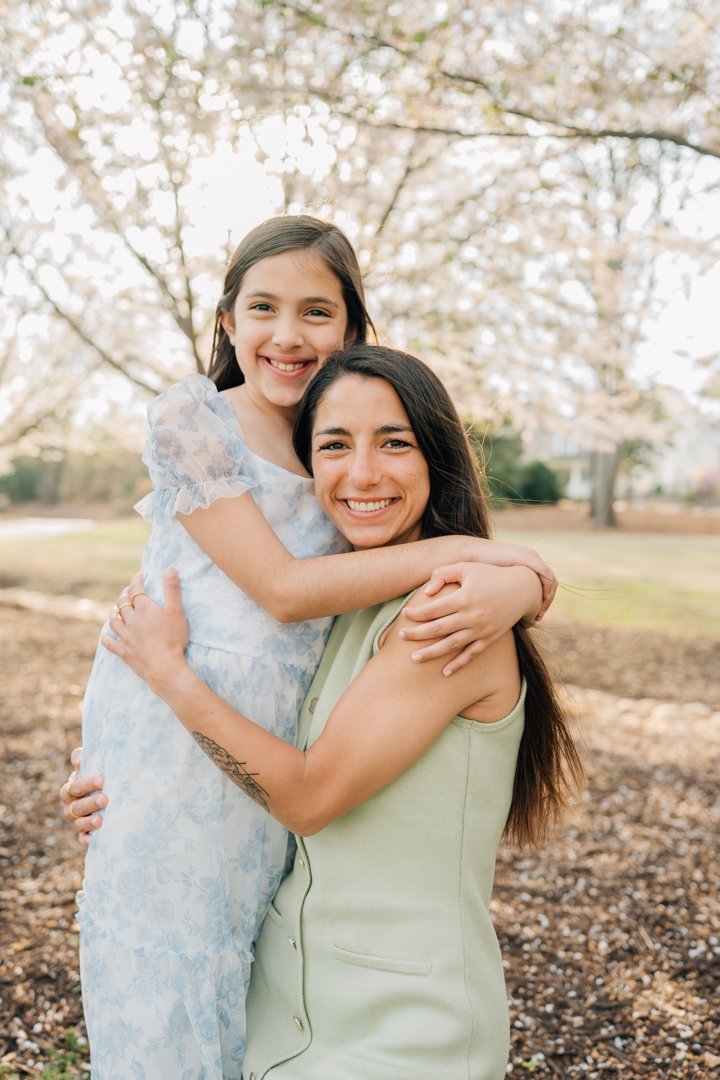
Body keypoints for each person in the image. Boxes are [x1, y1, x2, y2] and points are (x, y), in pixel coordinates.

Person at [68, 217, 557, 1078]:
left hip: (274, 762)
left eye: (316, 314)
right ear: (226, 322)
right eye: (262, 308)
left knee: (247, 972)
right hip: (178, 744)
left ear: (352, 331)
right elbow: (284, 592)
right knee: (169, 986)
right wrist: (472, 555)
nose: (287, 336)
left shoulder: (331, 440)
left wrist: (525, 578)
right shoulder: (198, 421)